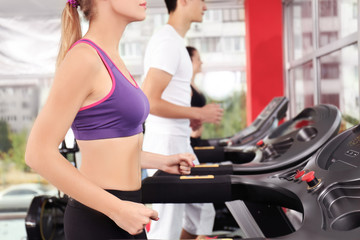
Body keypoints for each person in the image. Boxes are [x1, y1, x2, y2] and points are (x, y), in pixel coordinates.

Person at [25, 0, 195, 239]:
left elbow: (109, 149)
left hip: (127, 211)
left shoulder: (111, 56)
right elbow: (38, 153)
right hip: (101, 217)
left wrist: (161, 161)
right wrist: (117, 210)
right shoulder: (84, 58)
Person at [141, 0, 224, 239]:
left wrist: (188, 118)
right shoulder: (167, 42)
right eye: (202, 0)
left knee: (202, 212)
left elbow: (165, 98)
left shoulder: (175, 42)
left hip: (178, 140)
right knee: (165, 226)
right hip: (165, 144)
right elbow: (149, 101)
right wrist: (199, 113)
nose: (206, 6)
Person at [186, 46, 211, 148]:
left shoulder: (193, 84)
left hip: (196, 139)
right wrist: (190, 132)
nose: (201, 62)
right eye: (198, 59)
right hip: (190, 141)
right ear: (189, 61)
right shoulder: (185, 86)